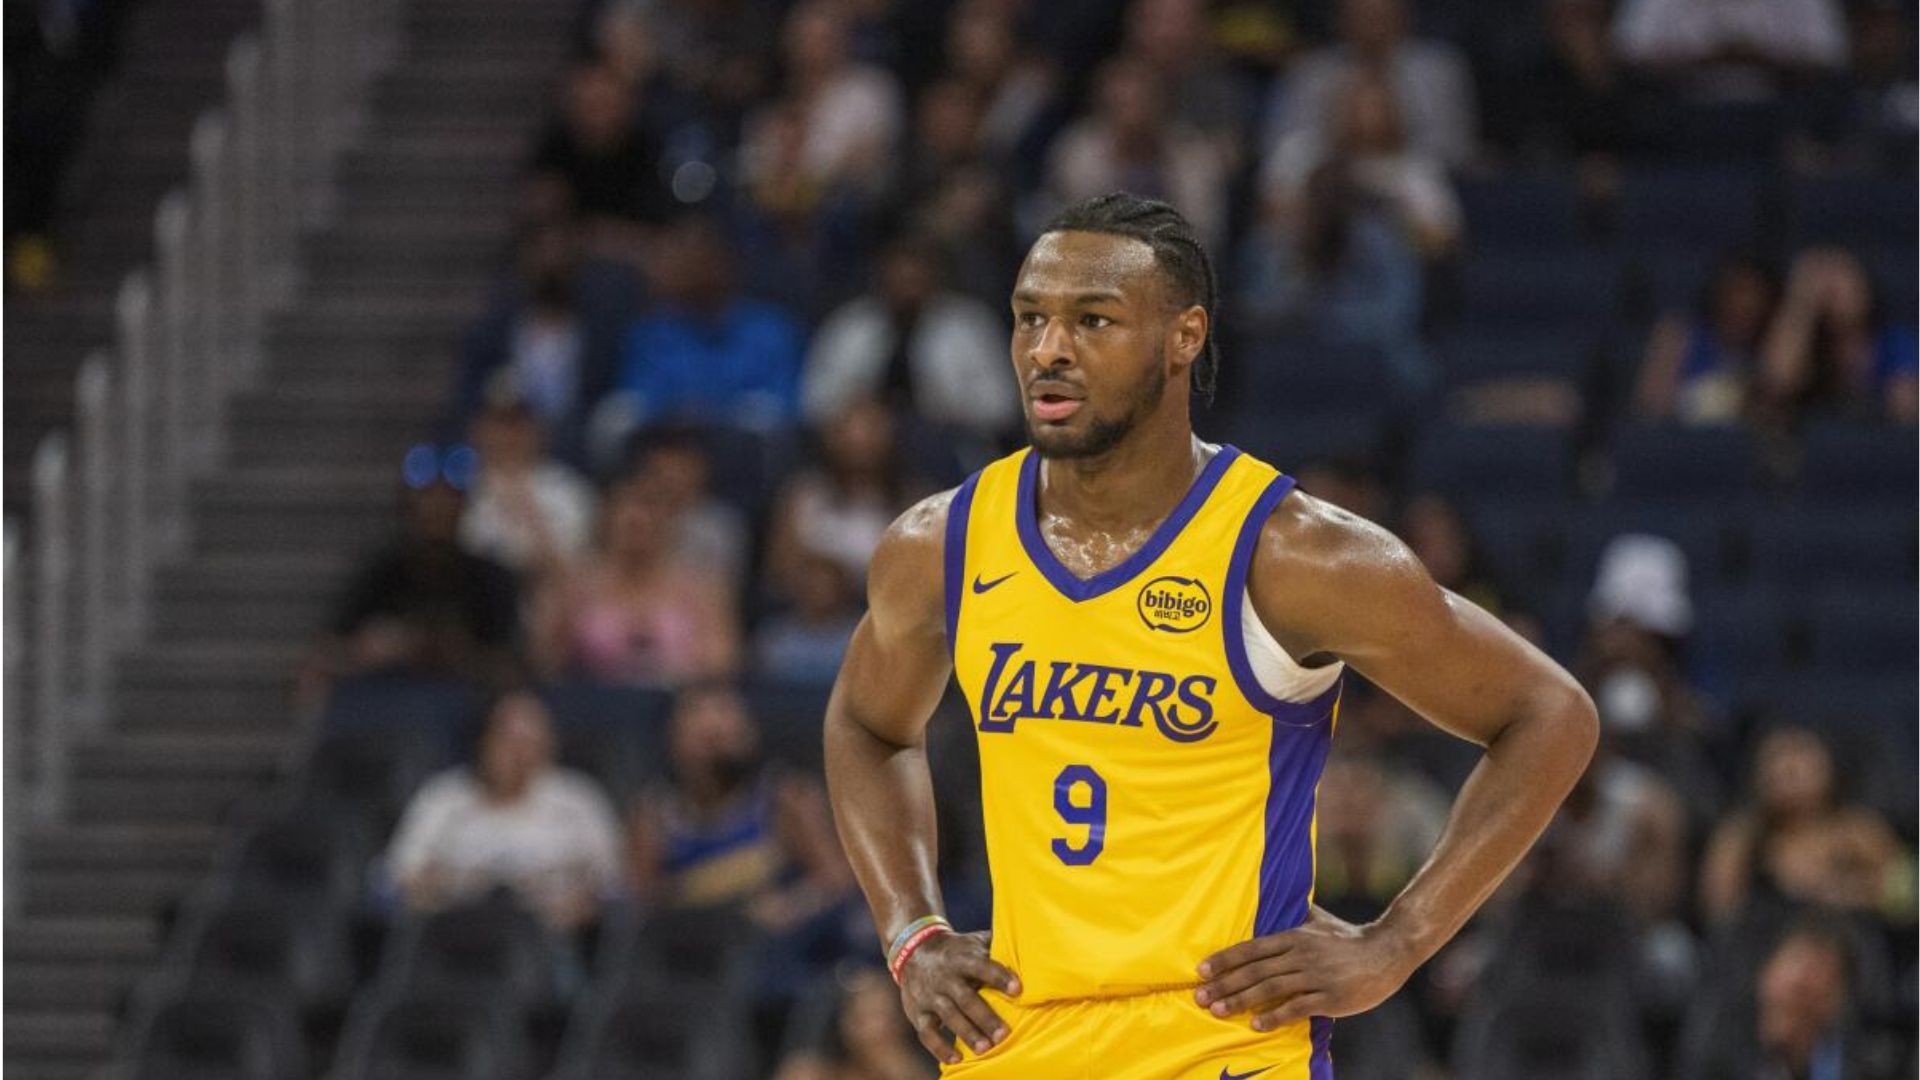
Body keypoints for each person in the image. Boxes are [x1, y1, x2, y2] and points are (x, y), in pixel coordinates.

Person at [822, 193, 1598, 1074]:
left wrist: (1398, 941)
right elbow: (864, 724)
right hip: (1018, 1042)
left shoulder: (1295, 554)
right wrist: (911, 932)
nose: (1048, 350)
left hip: (1222, 1043)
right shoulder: (941, 544)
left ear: (1183, 337)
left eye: (1093, 320)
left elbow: (1550, 713)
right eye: (1030, 318)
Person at [383, 691, 627, 933]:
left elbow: (614, 885)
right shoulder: (443, 797)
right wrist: (440, 895)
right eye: (509, 740)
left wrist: (577, 907)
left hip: (554, 938)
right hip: (455, 934)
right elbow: (396, 878)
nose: (518, 754)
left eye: (530, 742)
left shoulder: (578, 799)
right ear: (484, 740)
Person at [629, 682, 854, 920]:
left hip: (777, 934)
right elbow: (641, 902)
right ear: (674, 739)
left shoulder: (786, 798)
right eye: (704, 736)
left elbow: (837, 881)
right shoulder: (655, 814)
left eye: (726, 719)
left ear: (750, 733)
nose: (716, 730)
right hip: (689, 935)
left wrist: (792, 905)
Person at [308, 450, 521, 700]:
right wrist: (375, 648)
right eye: (427, 497)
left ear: (464, 507)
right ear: (408, 507)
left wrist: (460, 654)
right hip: (387, 703)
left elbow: (517, 669)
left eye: (448, 498)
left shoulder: (490, 578)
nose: (437, 508)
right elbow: (325, 654)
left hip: (468, 706)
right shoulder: (380, 572)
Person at [529, 468, 741, 685]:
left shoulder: (703, 587)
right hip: (590, 700)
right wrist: (563, 616)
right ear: (606, 516)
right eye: (624, 506)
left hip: (680, 700)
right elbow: (544, 664)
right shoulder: (573, 584)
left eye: (649, 506)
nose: (637, 517)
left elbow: (720, 666)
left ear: (671, 517)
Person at [802, 235, 1017, 442]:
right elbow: (812, 402)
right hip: (864, 443)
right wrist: (855, 404)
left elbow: (1003, 406)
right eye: (898, 281)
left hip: (951, 440)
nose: (906, 291)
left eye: (913, 281)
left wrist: (945, 404)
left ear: (933, 278)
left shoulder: (969, 325)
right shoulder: (851, 326)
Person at [1699, 726, 1914, 929]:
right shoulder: (1741, 834)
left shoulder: (1857, 829)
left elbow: (1905, 893)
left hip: (1850, 936)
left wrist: (1847, 892)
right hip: (1765, 940)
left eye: (1799, 754)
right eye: (1777, 756)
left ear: (1828, 765)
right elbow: (1719, 910)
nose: (1788, 767)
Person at [1264, 0, 1478, 171]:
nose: (1372, 26)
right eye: (1362, 16)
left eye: (1381, 16)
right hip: (1327, 184)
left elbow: (1453, 150)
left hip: (1414, 176)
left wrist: (1390, 162)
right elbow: (1283, 146)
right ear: (1342, 20)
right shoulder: (1310, 71)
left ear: (1404, 17)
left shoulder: (1440, 70)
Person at [1758, 248, 1919, 427]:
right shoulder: (1809, 343)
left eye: (1845, 284)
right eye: (1827, 288)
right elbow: (1778, 381)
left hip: (1875, 434)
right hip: (1815, 433)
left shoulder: (1894, 339)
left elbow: (1906, 409)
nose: (1836, 294)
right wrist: (1802, 303)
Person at [458, 396, 598, 580]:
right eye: (497, 425)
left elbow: (574, 566)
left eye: (515, 425)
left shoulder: (568, 489)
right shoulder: (461, 490)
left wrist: (521, 501)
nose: (506, 436)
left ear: (538, 431)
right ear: (478, 431)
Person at [1635, 254, 1781, 424]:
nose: (1743, 304)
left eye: (1753, 297)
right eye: (1736, 292)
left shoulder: (1772, 349)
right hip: (1682, 435)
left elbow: (1774, 413)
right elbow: (1651, 408)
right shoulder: (1680, 336)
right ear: (1719, 295)